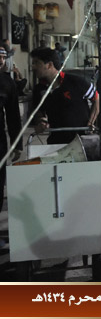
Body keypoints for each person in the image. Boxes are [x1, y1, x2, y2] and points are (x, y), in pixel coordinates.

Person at [31, 47, 99, 144]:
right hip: (56, 140)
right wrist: (41, 121)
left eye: (37, 63)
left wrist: (91, 122)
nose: (33, 67)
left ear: (49, 65)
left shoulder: (75, 82)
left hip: (81, 140)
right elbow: (39, 111)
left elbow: (96, 98)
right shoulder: (39, 89)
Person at [0, 47, 23, 223]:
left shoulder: (7, 83)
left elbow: (13, 116)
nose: (1, 61)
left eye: (3, 57)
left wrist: (17, 143)